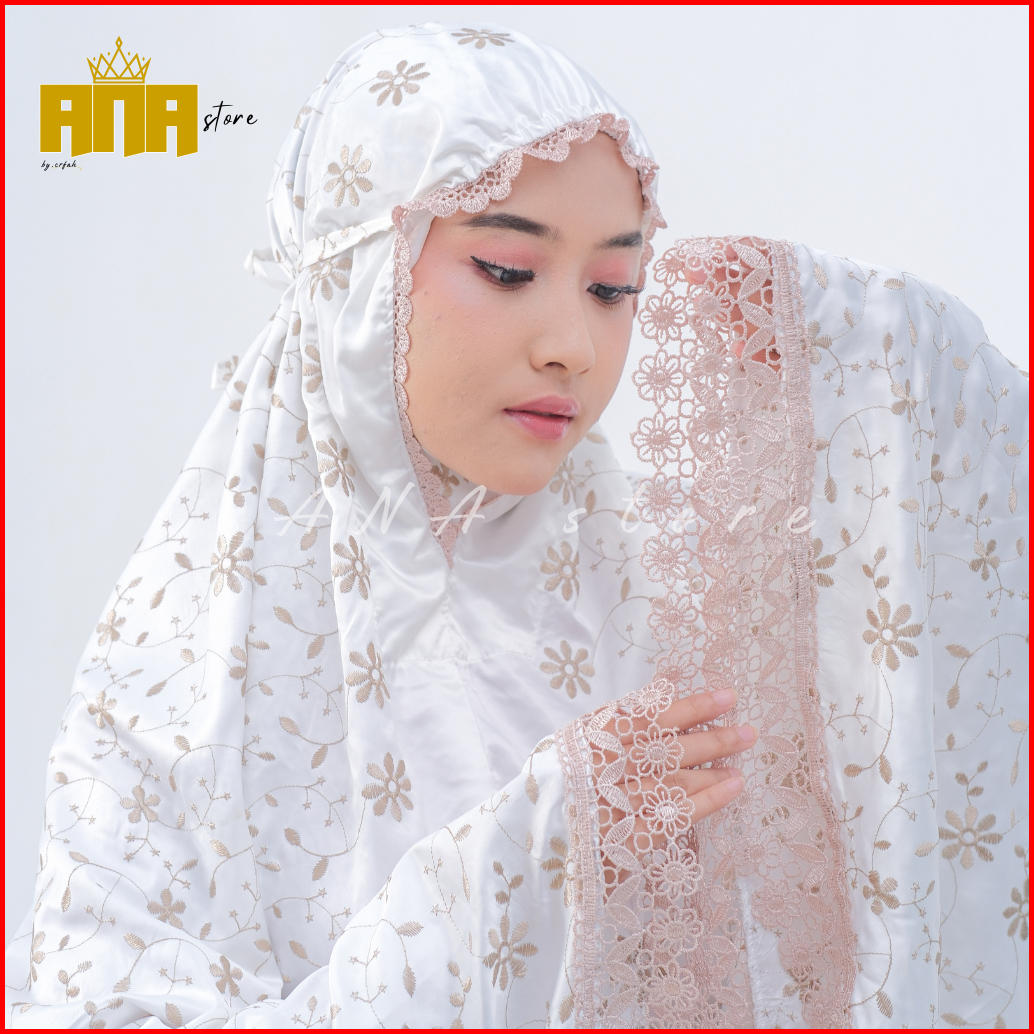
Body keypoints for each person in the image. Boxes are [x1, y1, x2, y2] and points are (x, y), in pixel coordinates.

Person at [6, 23, 1027, 1029]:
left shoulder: (641, 596)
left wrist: (852, 375)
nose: (573, 345)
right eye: (506, 269)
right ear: (358, 275)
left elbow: (869, 833)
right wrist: (527, 859)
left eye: (614, 288)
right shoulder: (187, 663)